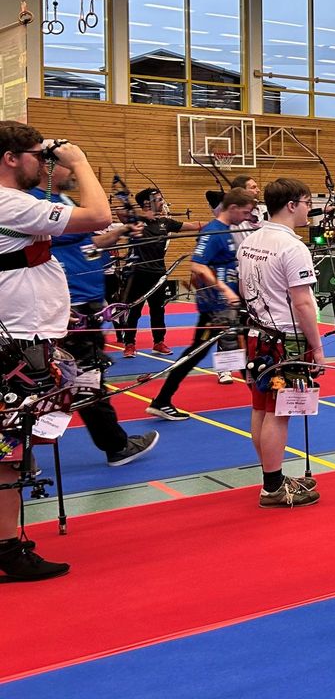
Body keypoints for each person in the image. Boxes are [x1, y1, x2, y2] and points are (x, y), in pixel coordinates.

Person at [0, 121, 111, 581]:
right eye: (35, 156)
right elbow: (98, 215)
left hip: (22, 335)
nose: (43, 164)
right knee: (8, 448)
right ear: (10, 157)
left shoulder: (18, 205)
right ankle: (6, 547)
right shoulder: (9, 202)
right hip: (16, 341)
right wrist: (79, 161)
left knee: (14, 444)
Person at [36, 162, 160, 467]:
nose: (73, 173)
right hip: (69, 305)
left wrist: (120, 231)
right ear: (48, 169)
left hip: (82, 302)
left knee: (71, 378)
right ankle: (116, 445)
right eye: (67, 167)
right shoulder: (39, 204)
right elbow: (93, 220)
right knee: (84, 379)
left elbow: (87, 246)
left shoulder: (63, 202)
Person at [236, 178, 325, 509]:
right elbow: (303, 303)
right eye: (306, 202)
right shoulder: (293, 247)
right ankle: (273, 487)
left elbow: (246, 291)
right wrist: (316, 347)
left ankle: (271, 476)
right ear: (291, 205)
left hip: (257, 335)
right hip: (285, 341)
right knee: (279, 413)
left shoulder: (250, 240)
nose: (309, 208)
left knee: (261, 408)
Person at [145, 188, 256, 419]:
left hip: (224, 305)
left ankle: (259, 395)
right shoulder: (214, 232)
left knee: (243, 346)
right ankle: (162, 399)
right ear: (232, 208)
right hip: (216, 307)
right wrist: (223, 289)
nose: (246, 217)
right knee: (196, 352)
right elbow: (197, 266)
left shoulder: (226, 230)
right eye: (244, 212)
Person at [115, 187, 202, 358]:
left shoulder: (165, 222)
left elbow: (194, 225)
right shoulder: (135, 221)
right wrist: (142, 215)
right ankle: (130, 344)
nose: (163, 202)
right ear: (147, 203)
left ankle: (158, 342)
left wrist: (220, 222)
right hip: (137, 273)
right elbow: (119, 212)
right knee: (134, 310)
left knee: (158, 309)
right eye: (159, 199)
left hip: (158, 273)